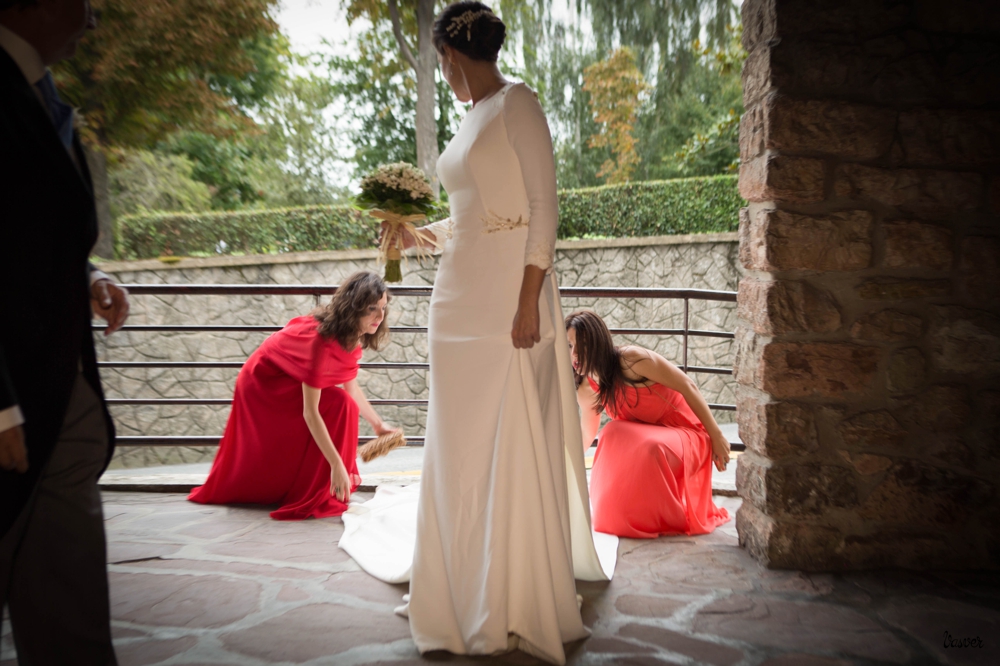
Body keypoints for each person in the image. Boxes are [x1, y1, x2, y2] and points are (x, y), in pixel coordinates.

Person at [356, 3, 614, 664]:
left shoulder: (516, 104)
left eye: (442, 61)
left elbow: (542, 209)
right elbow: (469, 217)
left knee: (506, 433)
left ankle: (510, 590)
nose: (443, 73)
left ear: (454, 51)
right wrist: (417, 234)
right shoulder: (471, 118)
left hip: (507, 299)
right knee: (459, 438)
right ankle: (458, 581)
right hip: (458, 299)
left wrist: (529, 302)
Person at [0, 0, 131, 663]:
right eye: (83, 2)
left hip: (60, 388)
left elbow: (20, 230)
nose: (94, 19)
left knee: (65, 585)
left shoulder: (41, 91)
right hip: (13, 397)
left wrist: (86, 275)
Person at [188, 271, 397, 520]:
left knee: (343, 404)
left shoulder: (352, 336)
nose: (380, 316)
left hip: (289, 377)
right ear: (354, 307)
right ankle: (319, 487)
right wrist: (336, 463)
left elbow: (351, 388)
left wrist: (378, 424)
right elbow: (311, 413)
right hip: (263, 383)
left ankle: (323, 488)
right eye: (372, 308)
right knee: (338, 405)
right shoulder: (322, 342)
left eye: (383, 308)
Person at [565, 310, 732, 539]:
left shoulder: (631, 361)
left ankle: (667, 516)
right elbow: (588, 433)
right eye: (570, 346)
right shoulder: (586, 387)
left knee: (650, 447)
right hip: (652, 438)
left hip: (686, 433)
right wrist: (565, 464)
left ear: (597, 341)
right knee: (610, 432)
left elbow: (687, 384)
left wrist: (717, 435)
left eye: (580, 345)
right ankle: (620, 512)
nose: (574, 354)